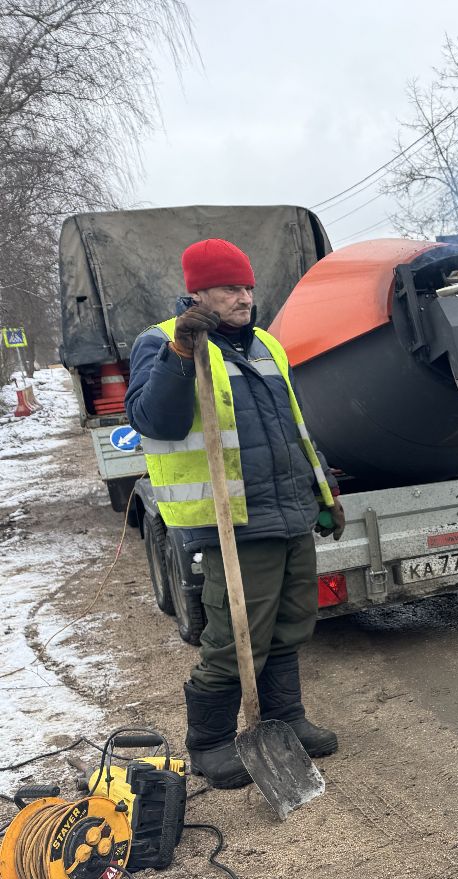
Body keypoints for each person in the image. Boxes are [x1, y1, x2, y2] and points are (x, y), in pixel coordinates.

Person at [126, 238, 345, 788]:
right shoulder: (161, 342)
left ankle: (286, 718)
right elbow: (154, 421)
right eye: (230, 289)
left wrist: (323, 490)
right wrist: (181, 354)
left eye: (247, 287)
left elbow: (294, 426)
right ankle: (211, 744)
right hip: (234, 519)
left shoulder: (267, 344)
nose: (245, 297)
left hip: (289, 509)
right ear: (197, 293)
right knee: (235, 634)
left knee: (291, 623)